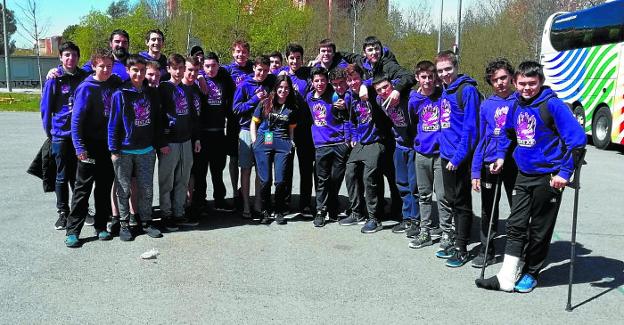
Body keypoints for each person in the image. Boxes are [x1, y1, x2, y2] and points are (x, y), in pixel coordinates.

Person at [475, 61, 586, 293]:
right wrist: (501, 157)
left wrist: (565, 173)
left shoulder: (552, 105)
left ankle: (532, 272)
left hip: (549, 176)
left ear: (541, 82)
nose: (527, 88)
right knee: (516, 224)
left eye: (532, 83)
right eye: (522, 83)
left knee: (539, 229)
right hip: (523, 173)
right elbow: (506, 133)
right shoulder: (515, 104)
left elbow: (577, 141)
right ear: (515, 83)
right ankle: (506, 276)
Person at [64, 49, 122, 247]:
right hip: (88, 146)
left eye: (108, 66)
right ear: (94, 66)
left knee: (104, 188)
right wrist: (79, 147)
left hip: (107, 145)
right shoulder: (86, 88)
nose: (105, 70)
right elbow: (76, 121)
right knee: (82, 189)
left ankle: (100, 226)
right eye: (101, 66)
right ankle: (73, 230)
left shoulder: (114, 83)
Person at [108, 54, 164, 241]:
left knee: (146, 188)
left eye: (142, 71)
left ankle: (145, 221)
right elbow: (113, 123)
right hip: (124, 150)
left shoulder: (151, 93)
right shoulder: (120, 94)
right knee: (123, 189)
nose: (139, 74)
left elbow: (156, 121)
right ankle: (124, 224)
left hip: (146, 150)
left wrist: (156, 144)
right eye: (135, 70)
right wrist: (114, 149)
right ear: (128, 71)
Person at [470, 58, 518, 268]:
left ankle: (519, 252)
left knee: (519, 210)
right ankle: (487, 250)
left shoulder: (520, 100)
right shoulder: (487, 105)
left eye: (503, 78)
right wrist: (475, 172)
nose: (499, 83)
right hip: (490, 163)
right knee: (488, 210)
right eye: (494, 80)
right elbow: (482, 138)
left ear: (511, 77)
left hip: (515, 164)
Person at [435, 50, 481, 268]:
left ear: (456, 67)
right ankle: (457, 241)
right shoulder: (445, 90)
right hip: (446, 155)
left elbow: (470, 129)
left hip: (458, 158)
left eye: (448, 69)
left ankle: (462, 249)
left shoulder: (467, 90)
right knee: (451, 200)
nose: (444, 74)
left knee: (461, 203)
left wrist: (458, 157)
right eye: (440, 71)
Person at [41, 41, 88, 231]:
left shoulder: (84, 77)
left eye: (74, 55)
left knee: (79, 176)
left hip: (80, 135)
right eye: (67, 55)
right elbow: (46, 109)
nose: (71, 58)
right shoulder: (54, 78)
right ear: (60, 57)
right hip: (60, 134)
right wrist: (50, 133)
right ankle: (63, 212)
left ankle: (80, 209)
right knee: (61, 175)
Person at [407, 60, 452, 248]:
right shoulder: (414, 100)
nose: (427, 80)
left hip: (440, 153)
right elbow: (412, 123)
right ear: (417, 78)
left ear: (436, 78)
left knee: (442, 195)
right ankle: (425, 231)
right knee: (424, 194)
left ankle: (447, 232)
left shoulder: (443, 96)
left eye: (430, 77)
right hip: (422, 153)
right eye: (423, 77)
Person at [158, 54, 202, 229]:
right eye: (174, 68)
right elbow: (158, 117)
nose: (178, 71)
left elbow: (194, 117)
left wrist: (196, 137)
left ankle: (179, 212)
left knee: (182, 179)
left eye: (181, 68)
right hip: (170, 142)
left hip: (186, 140)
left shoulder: (187, 89)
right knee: (167, 180)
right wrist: (161, 141)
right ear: (168, 69)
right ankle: (166, 214)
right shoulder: (163, 88)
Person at [340, 64, 385, 231]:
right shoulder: (350, 97)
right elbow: (351, 120)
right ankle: (357, 212)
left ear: (362, 77)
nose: (353, 83)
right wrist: (353, 137)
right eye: (349, 80)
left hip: (376, 140)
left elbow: (382, 80)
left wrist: (365, 85)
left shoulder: (371, 90)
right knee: (350, 171)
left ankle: (375, 218)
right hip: (361, 141)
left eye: (356, 79)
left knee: (369, 176)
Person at [374, 76, 419, 234]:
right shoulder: (380, 102)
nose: (383, 92)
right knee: (402, 183)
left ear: (392, 85)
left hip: (414, 145)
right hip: (399, 145)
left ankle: (416, 220)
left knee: (415, 186)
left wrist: (399, 90)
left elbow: (411, 77)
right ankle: (406, 218)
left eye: (385, 87)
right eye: (379, 90)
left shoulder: (407, 96)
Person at [306, 67, 351, 227]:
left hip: (339, 143)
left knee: (335, 178)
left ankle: (333, 206)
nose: (320, 83)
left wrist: (346, 140)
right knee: (321, 179)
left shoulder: (335, 96)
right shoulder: (309, 98)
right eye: (316, 80)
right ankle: (320, 210)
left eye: (323, 80)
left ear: (328, 81)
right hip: (321, 144)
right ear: (312, 82)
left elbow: (346, 118)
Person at [192, 52, 236, 213]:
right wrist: (200, 77)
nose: (211, 69)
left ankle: (219, 200)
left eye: (214, 65)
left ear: (219, 65)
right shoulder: (198, 81)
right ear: (203, 67)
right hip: (202, 133)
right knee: (200, 171)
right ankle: (200, 201)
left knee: (218, 170)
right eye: (207, 66)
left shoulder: (224, 79)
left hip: (219, 132)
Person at [251, 75, 298, 224]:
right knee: (265, 180)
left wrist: (291, 143)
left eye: (286, 88)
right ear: (276, 87)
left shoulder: (292, 107)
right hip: (264, 140)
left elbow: (291, 129)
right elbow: (254, 123)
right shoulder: (265, 102)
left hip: (282, 142)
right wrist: (254, 141)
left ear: (290, 90)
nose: (283, 90)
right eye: (281, 87)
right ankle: (265, 211)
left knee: (280, 180)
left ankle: (279, 210)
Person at [232, 55, 274, 219]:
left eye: (265, 70)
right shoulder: (244, 85)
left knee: (262, 169)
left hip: (267, 131)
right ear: (253, 68)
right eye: (259, 70)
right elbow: (236, 109)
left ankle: (258, 203)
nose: (262, 73)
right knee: (246, 168)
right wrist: (254, 99)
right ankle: (246, 205)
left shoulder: (271, 84)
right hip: (246, 130)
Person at [281, 43, 315, 214]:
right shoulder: (281, 76)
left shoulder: (308, 75)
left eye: (298, 58)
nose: (295, 61)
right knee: (286, 167)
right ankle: (285, 203)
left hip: (305, 128)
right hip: (286, 128)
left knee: (306, 167)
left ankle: (305, 203)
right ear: (287, 59)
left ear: (303, 59)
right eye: (292, 58)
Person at [224, 40, 254, 209]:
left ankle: (246, 191)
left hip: (250, 120)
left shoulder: (253, 68)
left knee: (250, 158)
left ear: (248, 53)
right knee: (234, 157)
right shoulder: (227, 70)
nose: (240, 55)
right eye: (237, 51)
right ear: (232, 52)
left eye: (244, 52)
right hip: (233, 119)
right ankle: (235, 192)